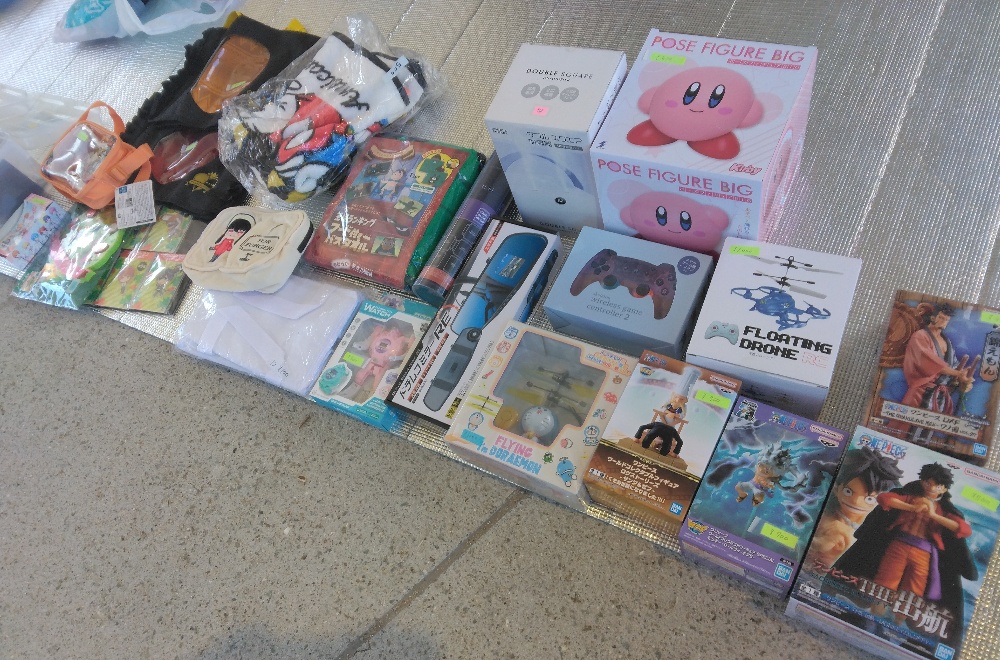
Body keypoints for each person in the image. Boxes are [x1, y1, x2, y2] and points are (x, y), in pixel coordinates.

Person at [833, 463, 976, 639]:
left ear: (944, 488)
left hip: (924, 554)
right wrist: (912, 507)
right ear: (922, 481)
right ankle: (873, 618)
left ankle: (896, 626)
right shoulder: (910, 496)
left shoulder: (945, 510)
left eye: (937, 485)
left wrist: (933, 515)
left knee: (913, 592)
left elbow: (963, 529)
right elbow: (885, 499)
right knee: (885, 583)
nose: (931, 488)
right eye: (928, 483)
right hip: (899, 545)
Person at [892, 303, 978, 439]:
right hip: (921, 393)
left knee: (926, 434)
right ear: (933, 317)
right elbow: (930, 363)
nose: (944, 322)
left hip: (940, 397)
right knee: (908, 431)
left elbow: (954, 366)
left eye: (947, 319)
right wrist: (957, 373)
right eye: (941, 317)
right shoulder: (920, 336)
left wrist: (963, 376)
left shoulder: (946, 341)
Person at [809, 446, 903, 568]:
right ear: (837, 488)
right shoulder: (824, 515)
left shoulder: (879, 526)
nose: (856, 501)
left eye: (869, 499)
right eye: (848, 491)